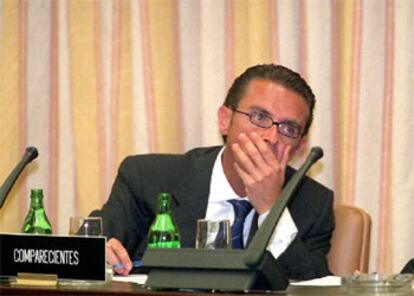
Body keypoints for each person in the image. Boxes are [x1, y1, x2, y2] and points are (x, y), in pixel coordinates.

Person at [93, 64, 334, 280]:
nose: (271, 137)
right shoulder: (148, 178)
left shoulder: (313, 203)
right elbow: (88, 247)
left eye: (288, 129)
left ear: (300, 147)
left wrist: (271, 210)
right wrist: (97, 253)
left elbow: (314, 285)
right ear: (224, 120)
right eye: (260, 117)